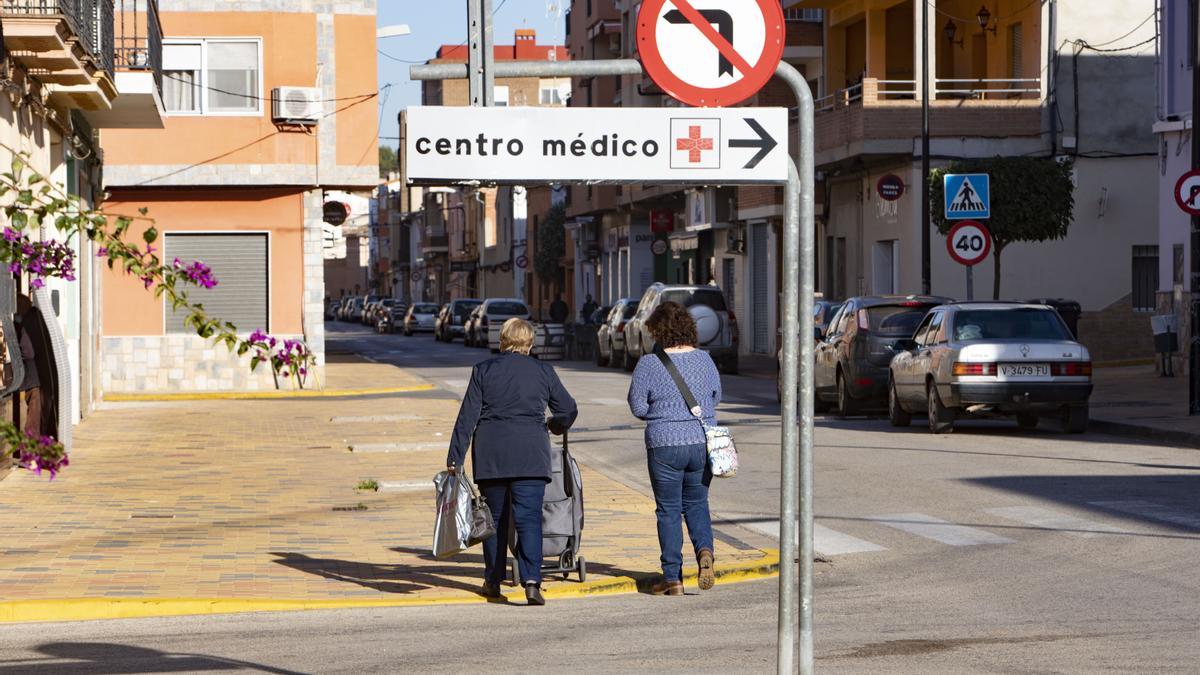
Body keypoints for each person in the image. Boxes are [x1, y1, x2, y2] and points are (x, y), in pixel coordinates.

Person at [446, 318, 578, 605]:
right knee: (529, 519)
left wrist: (455, 457)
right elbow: (568, 409)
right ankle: (532, 582)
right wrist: (554, 425)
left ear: (503, 340)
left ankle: (493, 581)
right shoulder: (543, 371)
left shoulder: (483, 370)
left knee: (494, 521)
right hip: (531, 456)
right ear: (530, 343)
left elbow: (467, 417)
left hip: (493, 456)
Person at [627, 301, 720, 596]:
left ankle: (672, 579)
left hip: (664, 443)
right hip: (700, 442)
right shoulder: (705, 360)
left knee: (668, 510)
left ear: (659, 332)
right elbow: (716, 397)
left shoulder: (649, 364)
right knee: (697, 503)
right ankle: (705, 552)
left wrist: (660, 412)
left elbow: (638, 406)